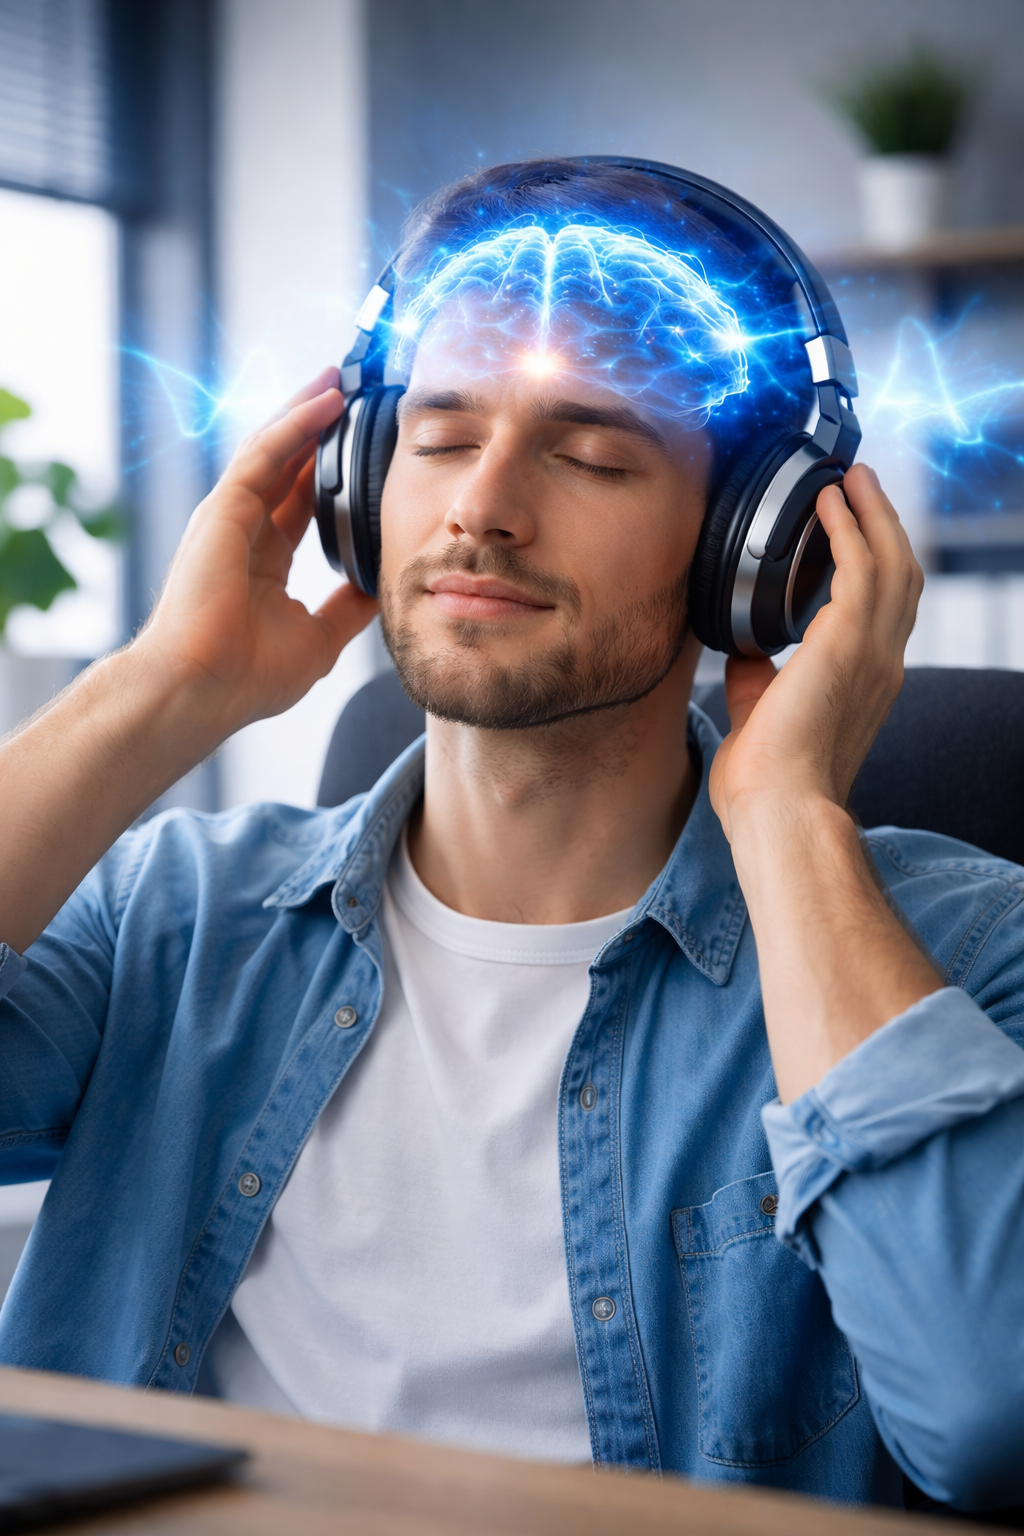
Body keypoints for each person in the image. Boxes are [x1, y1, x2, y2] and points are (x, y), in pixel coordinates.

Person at [1, 159, 1023, 1515]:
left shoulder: (961, 953)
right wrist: (159, 690)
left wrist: (789, 819)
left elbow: (991, 1416)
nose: (482, 505)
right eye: (435, 437)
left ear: (753, 546)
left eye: (594, 452)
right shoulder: (176, 916)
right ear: (354, 484)